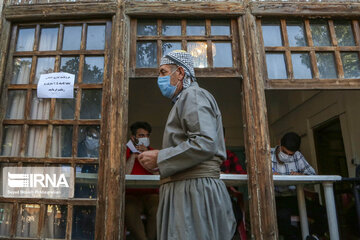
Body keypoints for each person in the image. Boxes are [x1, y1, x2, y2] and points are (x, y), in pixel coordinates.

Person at [138, 50, 236, 240]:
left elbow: (205, 142)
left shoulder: (194, 96)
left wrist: (160, 157)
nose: (159, 78)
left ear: (180, 73)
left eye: (163, 72)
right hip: (187, 191)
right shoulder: (184, 100)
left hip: (195, 193)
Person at [271, 132, 325, 240]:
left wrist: (301, 175)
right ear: (279, 144)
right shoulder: (267, 154)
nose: (287, 156)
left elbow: (312, 174)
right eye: (284, 152)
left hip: (295, 197)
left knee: (322, 213)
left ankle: (313, 236)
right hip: (276, 199)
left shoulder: (297, 155)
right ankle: (296, 236)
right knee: (281, 218)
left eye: (291, 154)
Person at [125, 121, 158, 240]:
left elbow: (158, 173)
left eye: (147, 135)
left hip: (150, 195)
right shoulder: (125, 151)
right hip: (130, 196)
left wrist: (146, 155)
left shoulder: (153, 152)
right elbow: (125, 173)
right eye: (141, 136)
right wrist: (133, 157)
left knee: (157, 209)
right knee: (129, 210)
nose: (145, 138)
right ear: (133, 137)